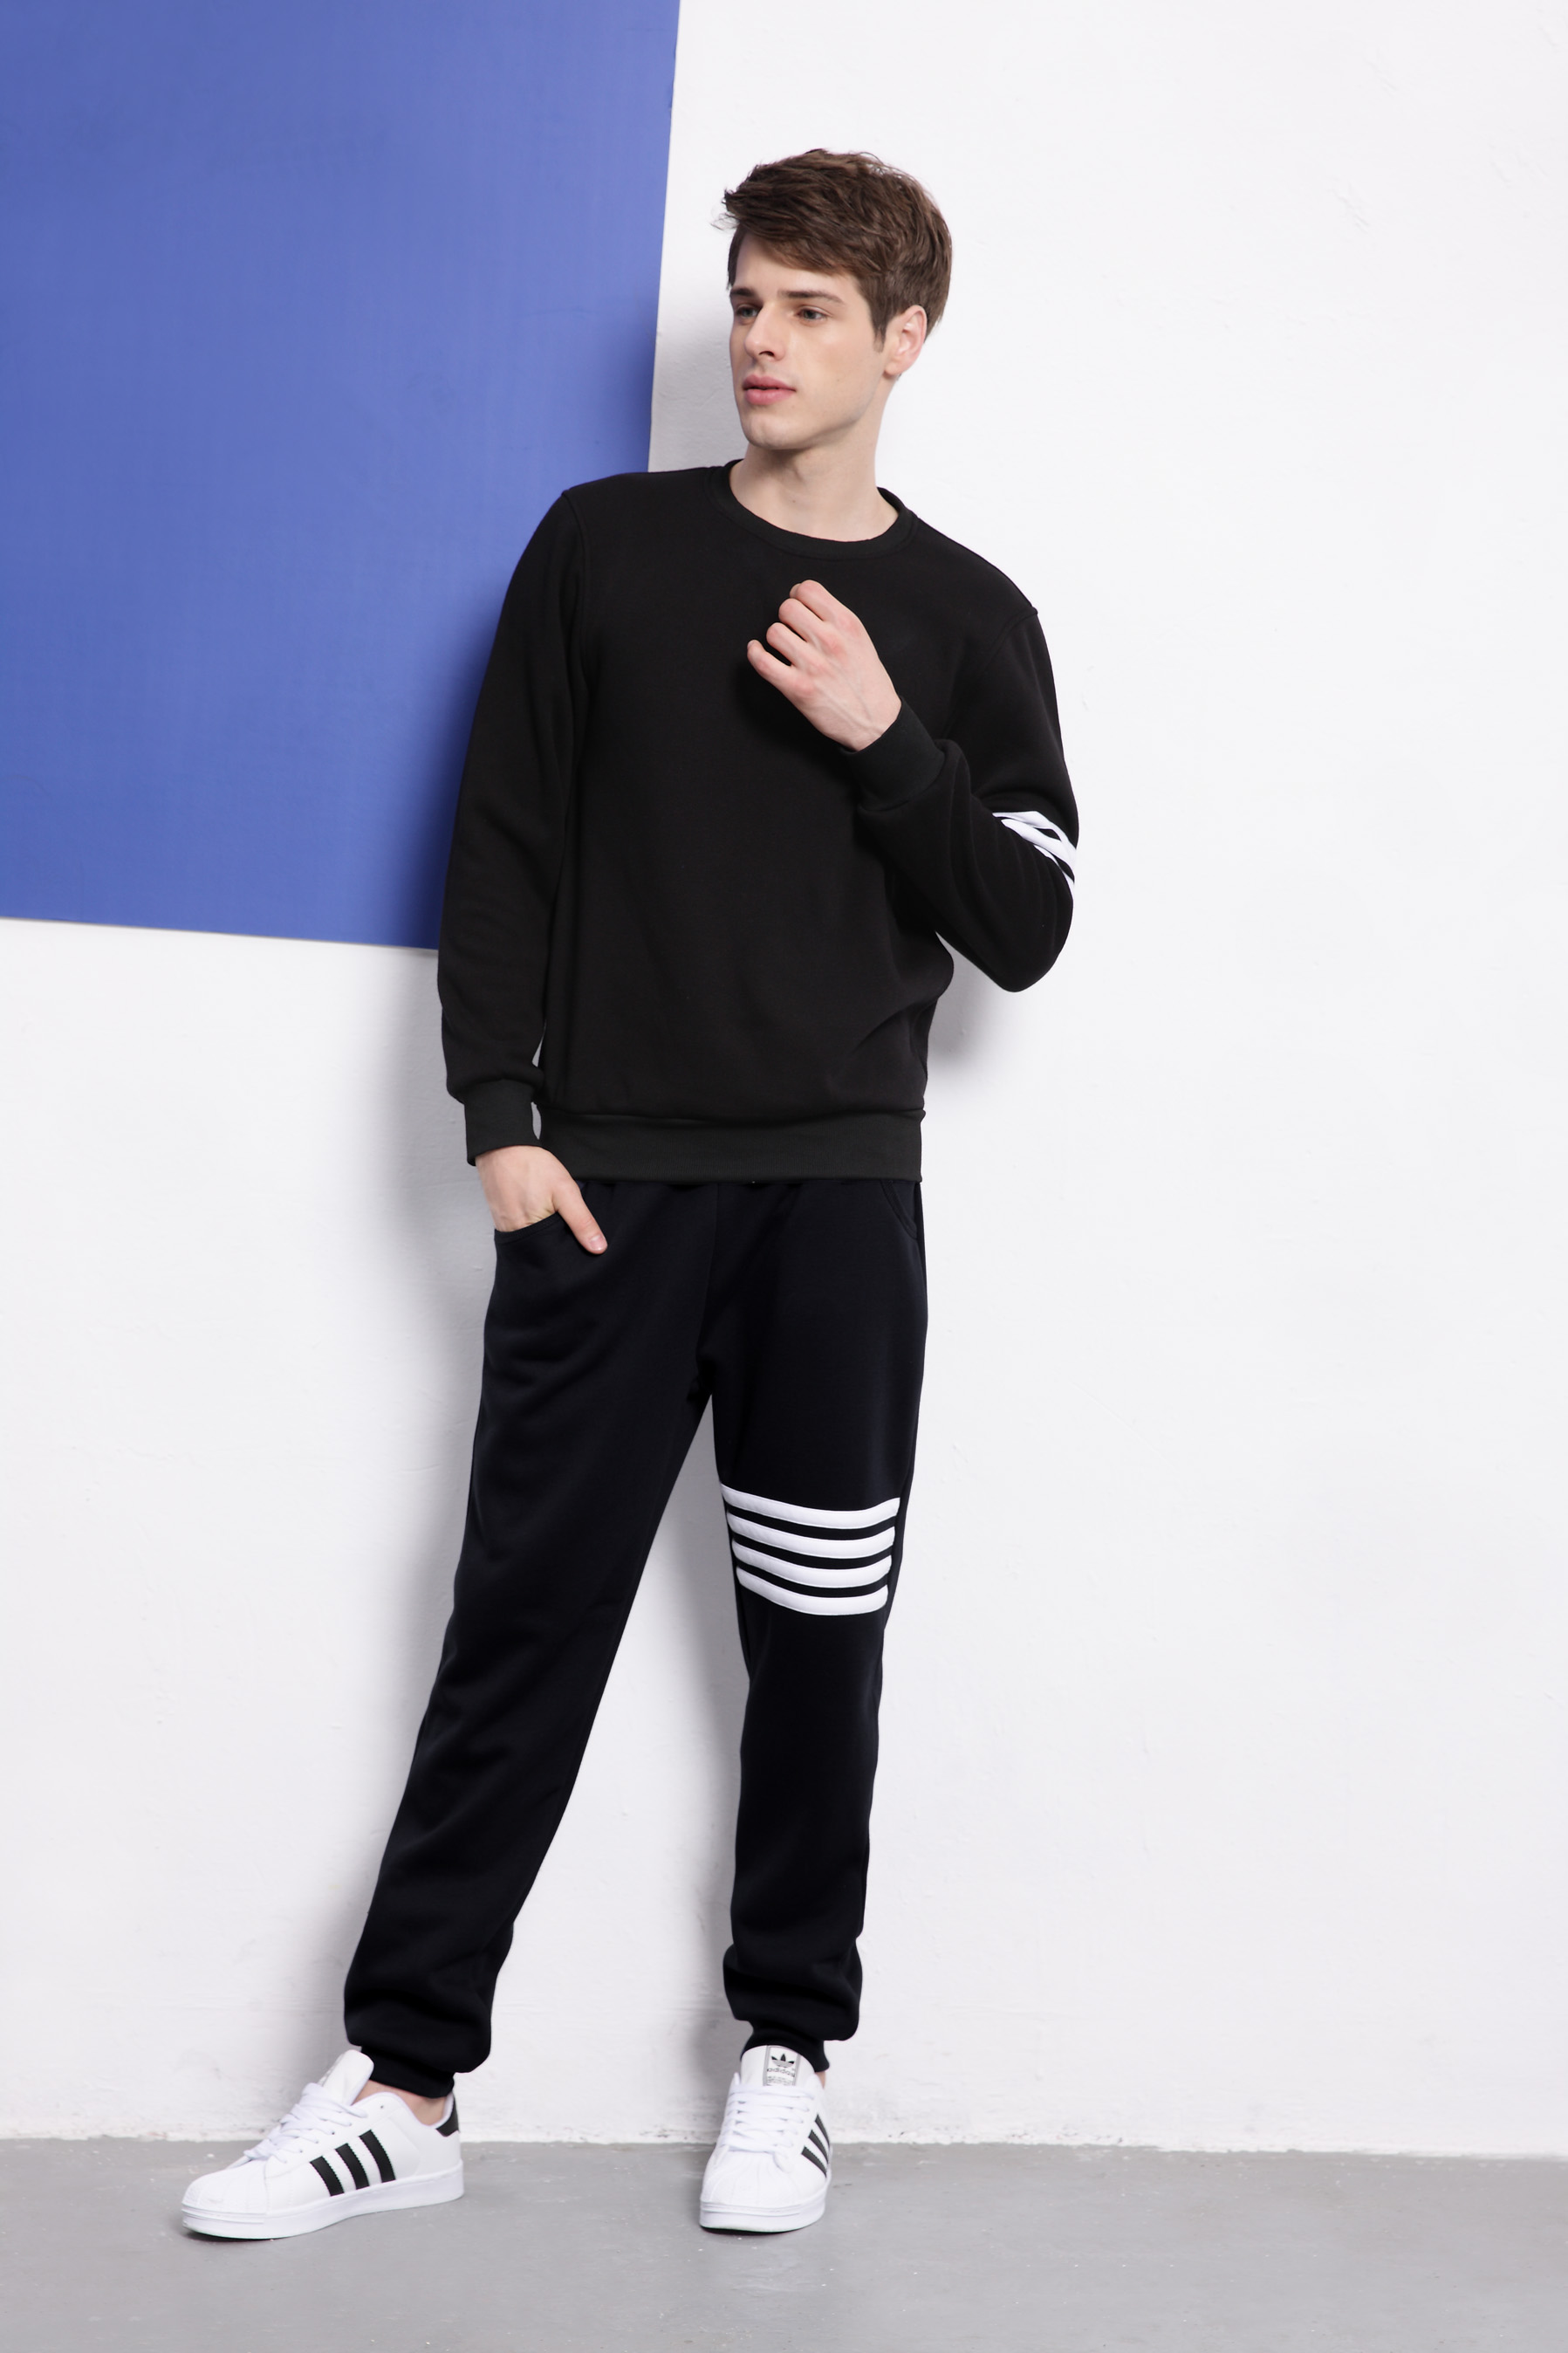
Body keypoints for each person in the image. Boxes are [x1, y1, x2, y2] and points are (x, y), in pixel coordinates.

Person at [182, 147, 1077, 2242]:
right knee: (519, 1631)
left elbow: (1028, 922)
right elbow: (501, 839)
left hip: (834, 1212)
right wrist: (499, 1114)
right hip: (599, 1199)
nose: (760, 341)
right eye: (747, 301)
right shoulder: (601, 548)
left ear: (904, 339)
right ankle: (403, 2084)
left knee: (817, 1648)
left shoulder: (967, 621)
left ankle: (790, 2056)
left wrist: (883, 734)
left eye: (808, 312)